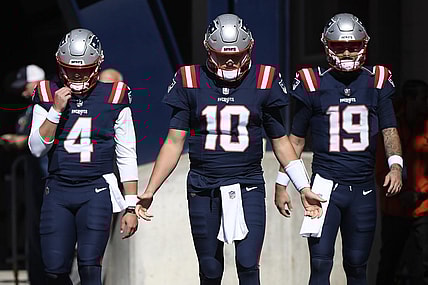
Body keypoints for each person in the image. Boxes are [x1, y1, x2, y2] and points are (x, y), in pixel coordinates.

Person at [136, 13, 324, 285]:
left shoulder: (264, 79)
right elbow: (174, 141)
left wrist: (302, 187)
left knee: (248, 264)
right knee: (210, 269)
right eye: (222, 55)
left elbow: (280, 141)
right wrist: (151, 190)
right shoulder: (190, 79)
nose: (230, 61)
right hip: (203, 186)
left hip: (247, 183)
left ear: (249, 49)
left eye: (237, 54)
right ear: (208, 50)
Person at [274, 13, 403, 285]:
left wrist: (395, 165)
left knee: (357, 267)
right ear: (327, 46)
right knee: (320, 266)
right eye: (340, 46)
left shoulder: (376, 81)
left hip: (363, 189)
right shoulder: (314, 83)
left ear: (364, 45)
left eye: (353, 46)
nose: (346, 51)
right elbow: (295, 140)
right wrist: (281, 183)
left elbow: (389, 128)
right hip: (324, 188)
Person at [28, 28, 139, 285]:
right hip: (58, 191)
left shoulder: (114, 95)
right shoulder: (47, 93)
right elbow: (36, 148)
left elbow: (126, 153)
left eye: (83, 69)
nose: (77, 75)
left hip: (95, 190)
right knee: (54, 270)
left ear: (98, 64)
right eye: (71, 68)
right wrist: (55, 111)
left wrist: (130, 205)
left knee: (90, 267)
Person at [376, 79, 428, 285]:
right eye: (424, 99)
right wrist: (400, 193)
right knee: (388, 264)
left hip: (423, 208)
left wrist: (419, 194)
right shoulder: (390, 128)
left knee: (422, 266)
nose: (426, 103)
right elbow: (380, 170)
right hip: (394, 209)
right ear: (410, 100)